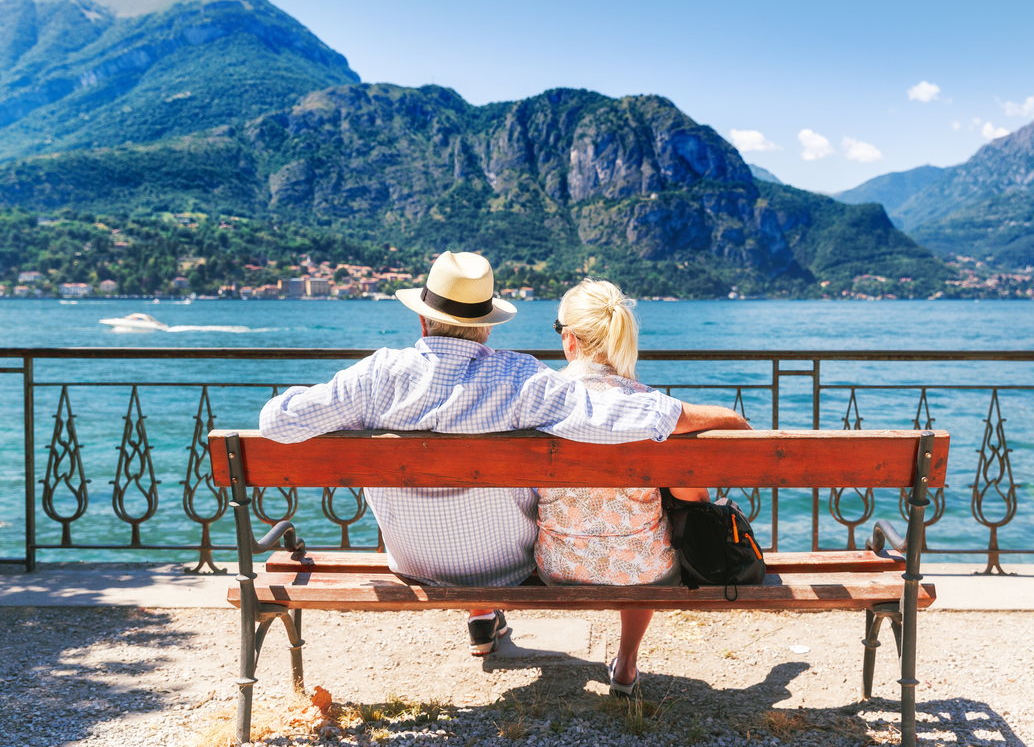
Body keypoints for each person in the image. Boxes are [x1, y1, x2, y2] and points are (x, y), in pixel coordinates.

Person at [258, 251, 749, 657]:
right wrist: (715, 417)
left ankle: (481, 618)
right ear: (487, 326)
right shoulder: (517, 378)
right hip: (505, 569)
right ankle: (490, 608)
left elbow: (275, 422)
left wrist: (344, 399)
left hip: (408, 560)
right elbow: (612, 417)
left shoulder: (375, 375)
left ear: (422, 317)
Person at [534, 278, 746, 696]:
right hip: (645, 573)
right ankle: (626, 664)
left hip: (556, 569)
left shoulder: (536, 398)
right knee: (647, 535)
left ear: (571, 340)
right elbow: (702, 484)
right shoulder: (653, 407)